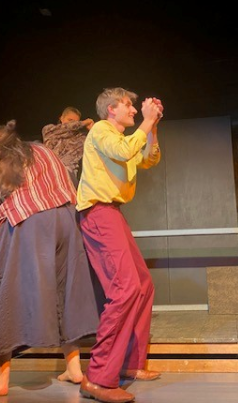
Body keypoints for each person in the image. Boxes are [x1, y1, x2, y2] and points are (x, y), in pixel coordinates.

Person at [0, 120, 100, 396]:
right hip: (66, 220)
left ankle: (1, 381)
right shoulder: (42, 150)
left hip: (28, 223)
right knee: (65, 292)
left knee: (6, 295)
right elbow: (69, 183)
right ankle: (74, 369)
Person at [76, 87, 163, 403]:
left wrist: (152, 126)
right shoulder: (101, 130)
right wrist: (146, 123)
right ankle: (98, 378)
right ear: (111, 109)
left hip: (113, 212)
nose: (134, 110)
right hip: (98, 212)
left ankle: (130, 364)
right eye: (128, 105)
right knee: (124, 289)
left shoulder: (125, 137)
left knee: (143, 285)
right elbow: (124, 152)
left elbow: (148, 158)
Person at [42, 106, 94, 187]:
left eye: (75, 122)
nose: (72, 124)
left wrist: (92, 130)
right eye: (70, 120)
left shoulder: (81, 138)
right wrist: (84, 123)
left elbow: (96, 144)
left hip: (69, 175)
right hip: (48, 172)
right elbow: (68, 127)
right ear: (61, 118)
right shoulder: (49, 130)